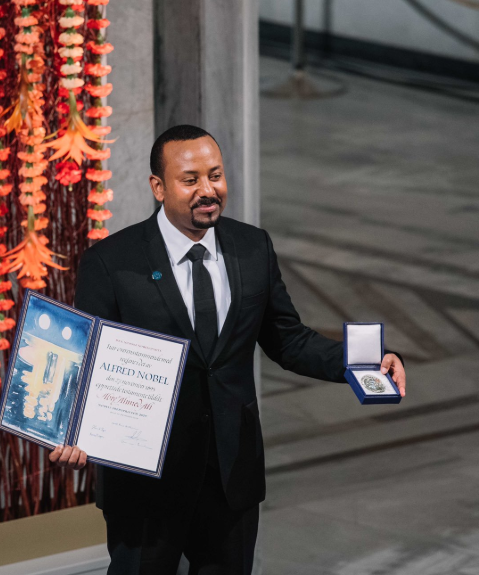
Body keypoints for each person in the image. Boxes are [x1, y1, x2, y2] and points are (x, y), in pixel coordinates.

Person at [48, 124, 407, 574]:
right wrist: (73, 427)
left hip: (230, 474)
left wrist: (363, 361)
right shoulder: (111, 262)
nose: (208, 190)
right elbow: (89, 361)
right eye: (191, 179)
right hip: (145, 482)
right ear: (158, 187)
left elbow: (287, 338)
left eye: (215, 175)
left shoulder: (252, 247)